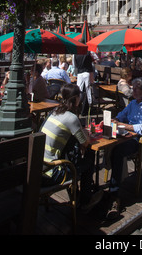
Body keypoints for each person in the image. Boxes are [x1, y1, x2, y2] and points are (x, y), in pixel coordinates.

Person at [41, 83, 103, 212]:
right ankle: (85, 200)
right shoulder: (71, 118)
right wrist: (86, 134)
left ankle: (77, 195)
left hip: (41, 166)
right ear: (75, 98)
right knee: (89, 160)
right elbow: (85, 142)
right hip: (53, 172)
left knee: (79, 157)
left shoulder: (54, 112)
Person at [105, 77, 142, 220]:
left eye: (137, 89)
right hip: (127, 135)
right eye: (133, 88)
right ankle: (113, 182)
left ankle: (114, 193)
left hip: (140, 139)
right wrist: (115, 120)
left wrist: (125, 126)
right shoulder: (133, 103)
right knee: (105, 145)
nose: (133, 91)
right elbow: (122, 116)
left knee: (117, 151)